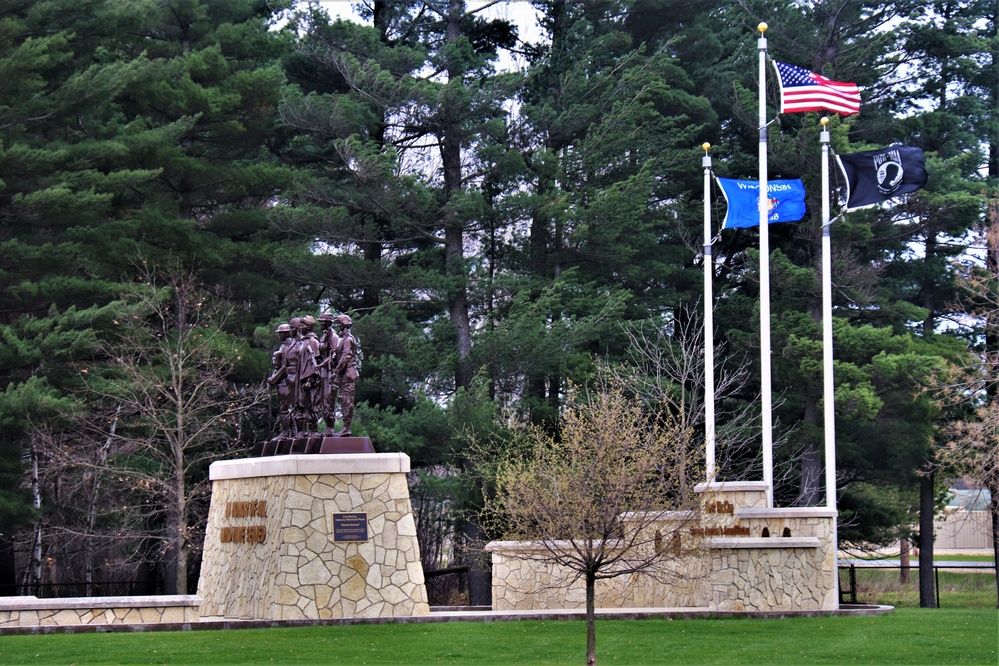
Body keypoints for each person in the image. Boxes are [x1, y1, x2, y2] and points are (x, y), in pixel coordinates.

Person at [332, 314, 360, 437]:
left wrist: (336, 370)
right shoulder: (341, 339)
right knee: (344, 400)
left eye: (339, 324)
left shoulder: (348, 339)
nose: (337, 326)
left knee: (347, 401)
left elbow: (346, 356)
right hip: (344, 373)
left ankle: (346, 428)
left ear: (343, 325)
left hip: (348, 373)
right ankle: (345, 427)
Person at [293, 315, 321, 435]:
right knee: (300, 404)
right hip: (300, 378)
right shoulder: (302, 342)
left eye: (303, 325)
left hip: (309, 379)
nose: (300, 328)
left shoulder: (313, 342)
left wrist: (310, 379)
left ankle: (313, 430)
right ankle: (301, 432)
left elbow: (314, 361)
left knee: (311, 405)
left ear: (309, 327)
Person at [266, 323, 295, 438]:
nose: (279, 335)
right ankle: (293, 432)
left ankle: (286, 432)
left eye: (281, 333)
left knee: (284, 407)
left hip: (285, 381)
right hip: (284, 380)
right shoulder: (285, 346)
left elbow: (284, 367)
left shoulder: (287, 346)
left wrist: (273, 379)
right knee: (287, 407)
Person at [316, 312, 340, 433]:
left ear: (327, 323)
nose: (320, 323)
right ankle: (327, 427)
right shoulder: (323, 336)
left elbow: (334, 355)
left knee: (329, 401)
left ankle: (330, 428)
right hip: (323, 373)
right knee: (324, 401)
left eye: (322, 321)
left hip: (331, 372)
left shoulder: (333, 336)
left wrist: (321, 364)